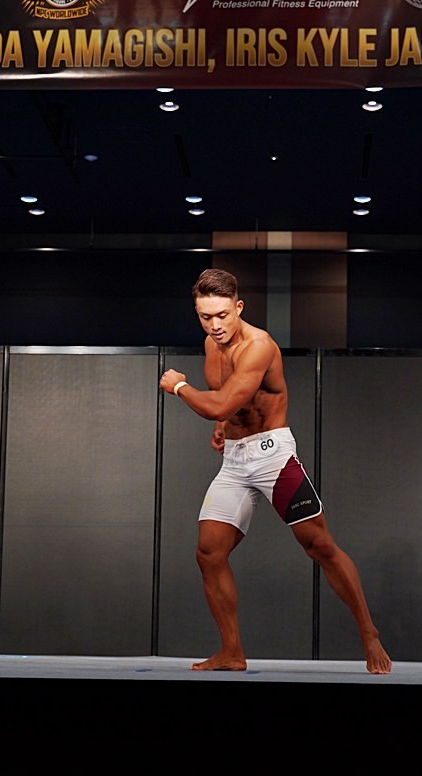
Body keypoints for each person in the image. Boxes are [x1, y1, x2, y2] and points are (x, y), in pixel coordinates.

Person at [159, 268, 392, 675]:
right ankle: (231, 651)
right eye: (205, 317)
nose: (214, 325)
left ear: (239, 307)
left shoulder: (259, 346)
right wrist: (223, 426)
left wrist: (179, 386)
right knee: (209, 553)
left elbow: (219, 402)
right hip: (235, 461)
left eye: (222, 315)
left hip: (273, 457)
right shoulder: (212, 344)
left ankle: (369, 633)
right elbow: (228, 402)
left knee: (319, 546)